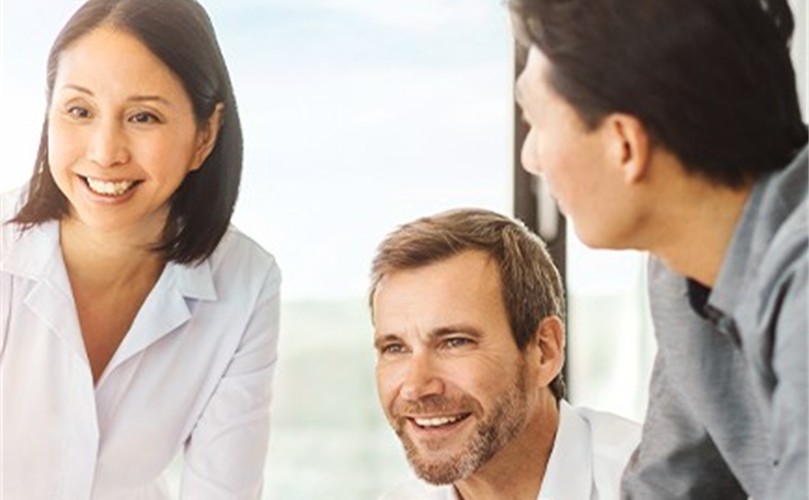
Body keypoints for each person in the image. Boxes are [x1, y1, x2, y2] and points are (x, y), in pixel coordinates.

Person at [510, 0, 807, 498]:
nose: (531, 158)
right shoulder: (685, 269)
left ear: (623, 144)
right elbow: (673, 485)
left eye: (537, 122)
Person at [0, 0, 281, 498]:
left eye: (144, 116)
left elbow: (223, 489)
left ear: (205, 134)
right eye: (79, 111)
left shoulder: (247, 281)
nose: (106, 152)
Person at [369, 208, 640, 500]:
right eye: (395, 348)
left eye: (455, 342)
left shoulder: (664, 483)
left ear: (544, 351)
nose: (415, 388)